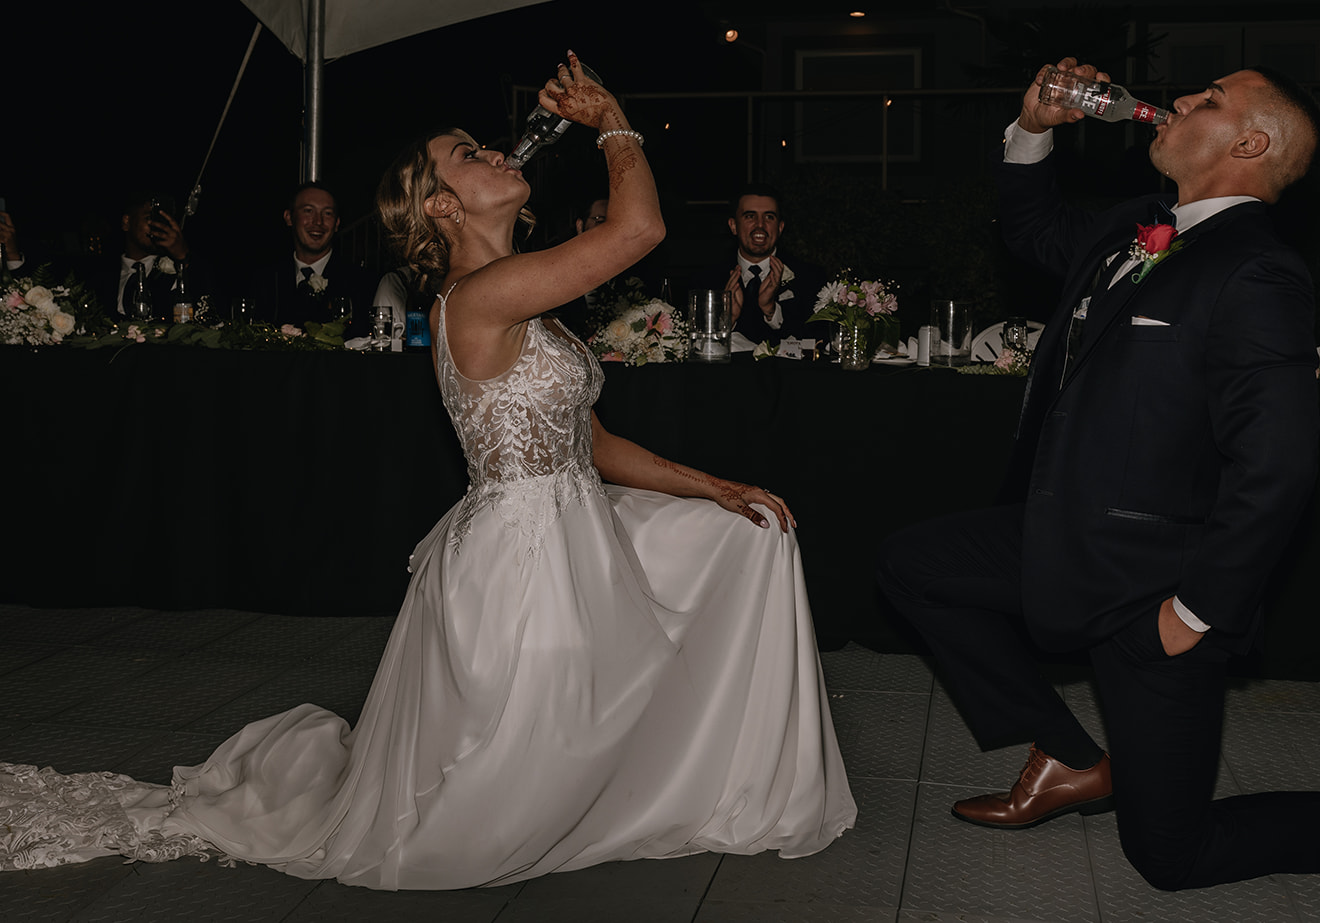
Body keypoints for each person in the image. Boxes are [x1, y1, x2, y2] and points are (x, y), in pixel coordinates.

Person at [0, 52, 855, 888]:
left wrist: (719, 487)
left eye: (487, 143)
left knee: (751, 538)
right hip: (524, 565)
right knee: (501, 793)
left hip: (576, 522)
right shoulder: (477, 298)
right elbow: (640, 230)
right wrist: (612, 123)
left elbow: (592, 445)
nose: (494, 152)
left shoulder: (517, 293)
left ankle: (724, 779)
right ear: (442, 202)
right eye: (467, 154)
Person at [879, 57, 1320, 892]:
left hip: (1155, 587)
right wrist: (1033, 128)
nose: (1178, 99)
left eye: (1209, 99)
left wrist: (1197, 610)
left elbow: (1277, 463)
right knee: (913, 565)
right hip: (1065, 534)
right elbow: (1034, 235)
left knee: (1171, 855)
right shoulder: (1140, 223)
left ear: (1250, 141)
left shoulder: (1257, 271)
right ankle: (1071, 755)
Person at [702, 185, 825, 345]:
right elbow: (697, 349)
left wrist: (771, 311)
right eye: (750, 216)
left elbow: (818, 340)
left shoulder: (810, 277)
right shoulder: (707, 279)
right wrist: (728, 319)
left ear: (780, 227)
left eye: (769, 217)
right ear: (733, 226)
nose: (760, 225)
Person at [250, 182, 379, 327]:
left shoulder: (361, 283)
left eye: (327, 213)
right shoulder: (264, 280)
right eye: (308, 211)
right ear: (288, 217)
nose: (318, 221)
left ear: (337, 224)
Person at [93, 194, 205, 319]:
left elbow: (205, 303)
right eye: (149, 218)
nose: (156, 226)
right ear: (127, 222)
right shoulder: (99, 273)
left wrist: (183, 256)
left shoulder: (175, 270)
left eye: (162, 221)